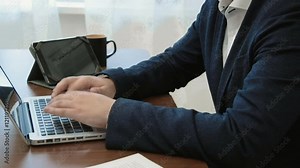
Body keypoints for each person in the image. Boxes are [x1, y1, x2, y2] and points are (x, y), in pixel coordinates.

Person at [44, 0, 300, 167]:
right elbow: (176, 63)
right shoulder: (219, 5)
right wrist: (113, 83)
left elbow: (240, 138)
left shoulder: (289, 20)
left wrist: (113, 113)